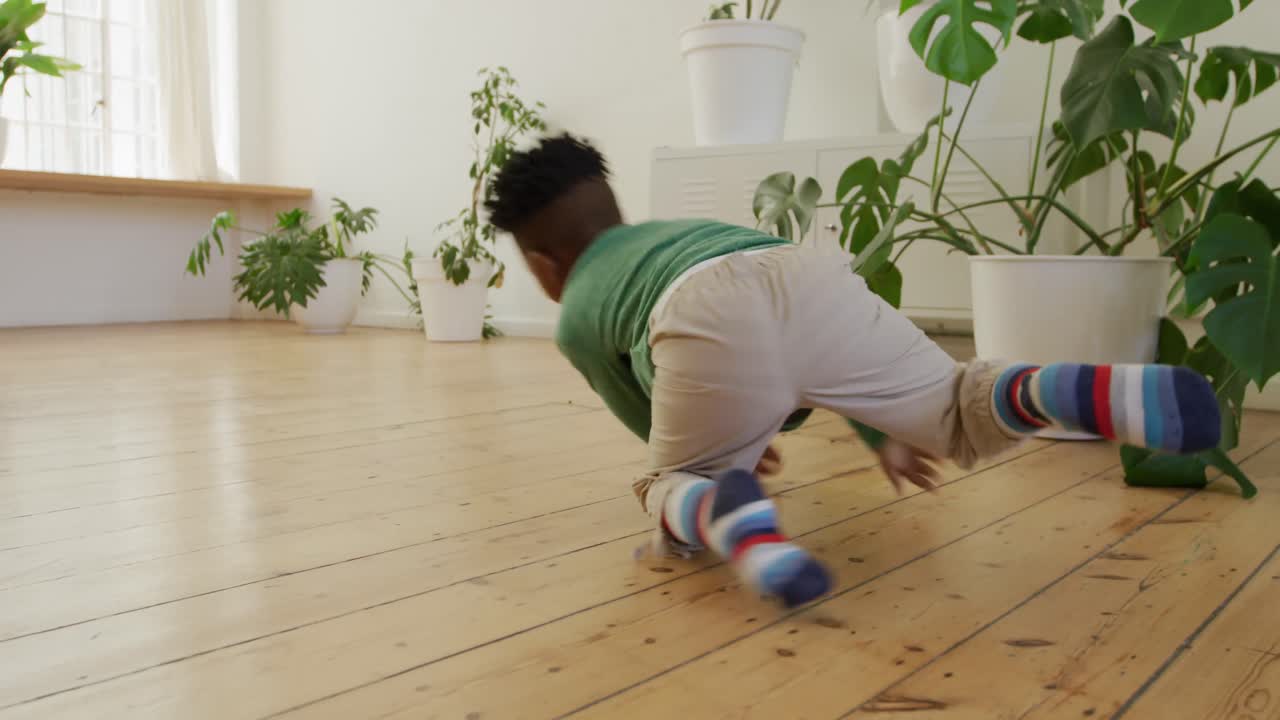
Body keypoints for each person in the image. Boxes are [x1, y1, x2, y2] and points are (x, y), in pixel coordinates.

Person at [484, 133, 1221, 608]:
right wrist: (883, 435)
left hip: (701, 316)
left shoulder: (579, 308)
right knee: (958, 409)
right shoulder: (669, 232)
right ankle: (1053, 388)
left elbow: (649, 417)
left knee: (669, 484)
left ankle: (722, 517)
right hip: (806, 271)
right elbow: (820, 356)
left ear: (544, 266)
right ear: (612, 208)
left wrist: (720, 446)